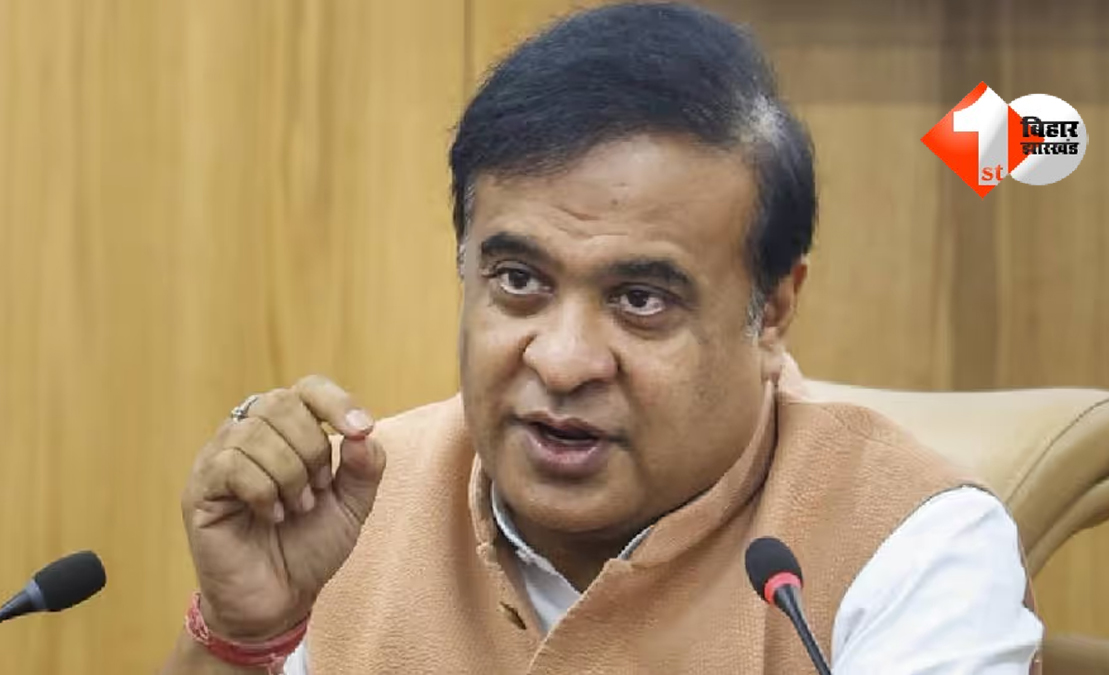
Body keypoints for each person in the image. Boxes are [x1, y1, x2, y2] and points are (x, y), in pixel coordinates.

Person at [162, 3, 1042, 674]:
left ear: (772, 311)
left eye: (640, 299)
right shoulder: (357, 510)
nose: (562, 360)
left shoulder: (915, 546)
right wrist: (243, 635)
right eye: (519, 281)